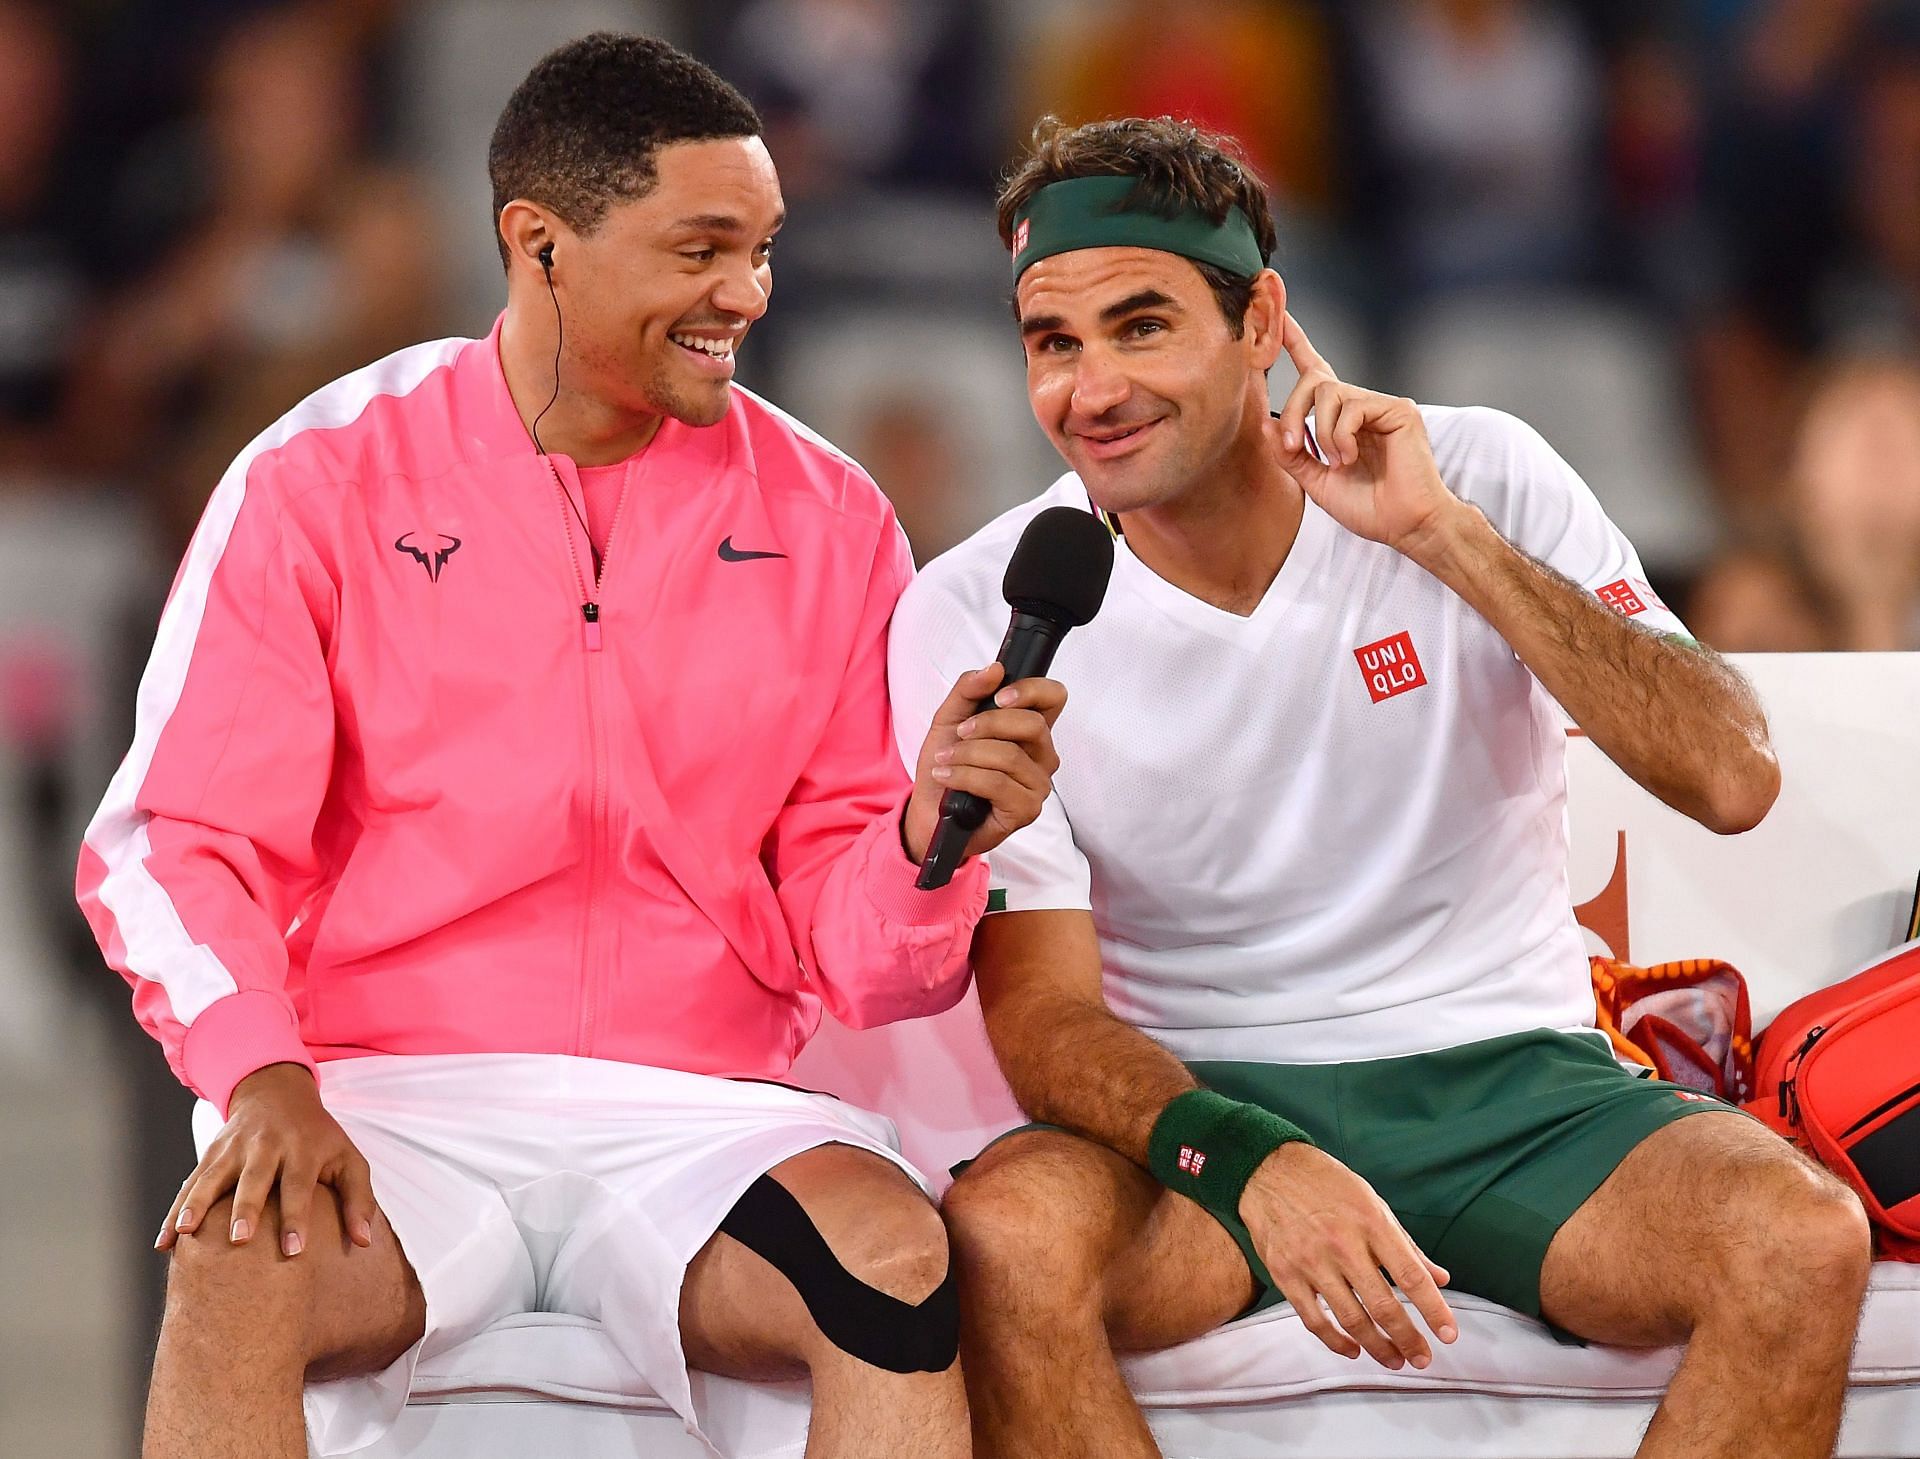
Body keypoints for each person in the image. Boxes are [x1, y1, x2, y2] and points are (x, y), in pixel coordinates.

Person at [76, 35, 1064, 1459]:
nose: (749, 295)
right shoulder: (322, 474)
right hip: (387, 1094)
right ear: (539, 244)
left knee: (893, 1261)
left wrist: (924, 845)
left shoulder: (834, 517)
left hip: (704, 1113)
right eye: (703, 250)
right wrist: (261, 1078)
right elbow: (172, 844)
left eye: (765, 250)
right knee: (236, 1256)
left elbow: (859, 953)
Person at [887, 116, 1872, 1459]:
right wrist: (1252, 1163)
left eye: (1140, 325)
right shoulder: (980, 606)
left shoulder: (1474, 474)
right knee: (1004, 1240)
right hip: (1199, 1107)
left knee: (1797, 1241)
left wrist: (1444, 538)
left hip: (1518, 1089)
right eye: (1052, 344)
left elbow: (1731, 775)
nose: (1091, 388)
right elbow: (1048, 1022)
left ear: (1262, 323)